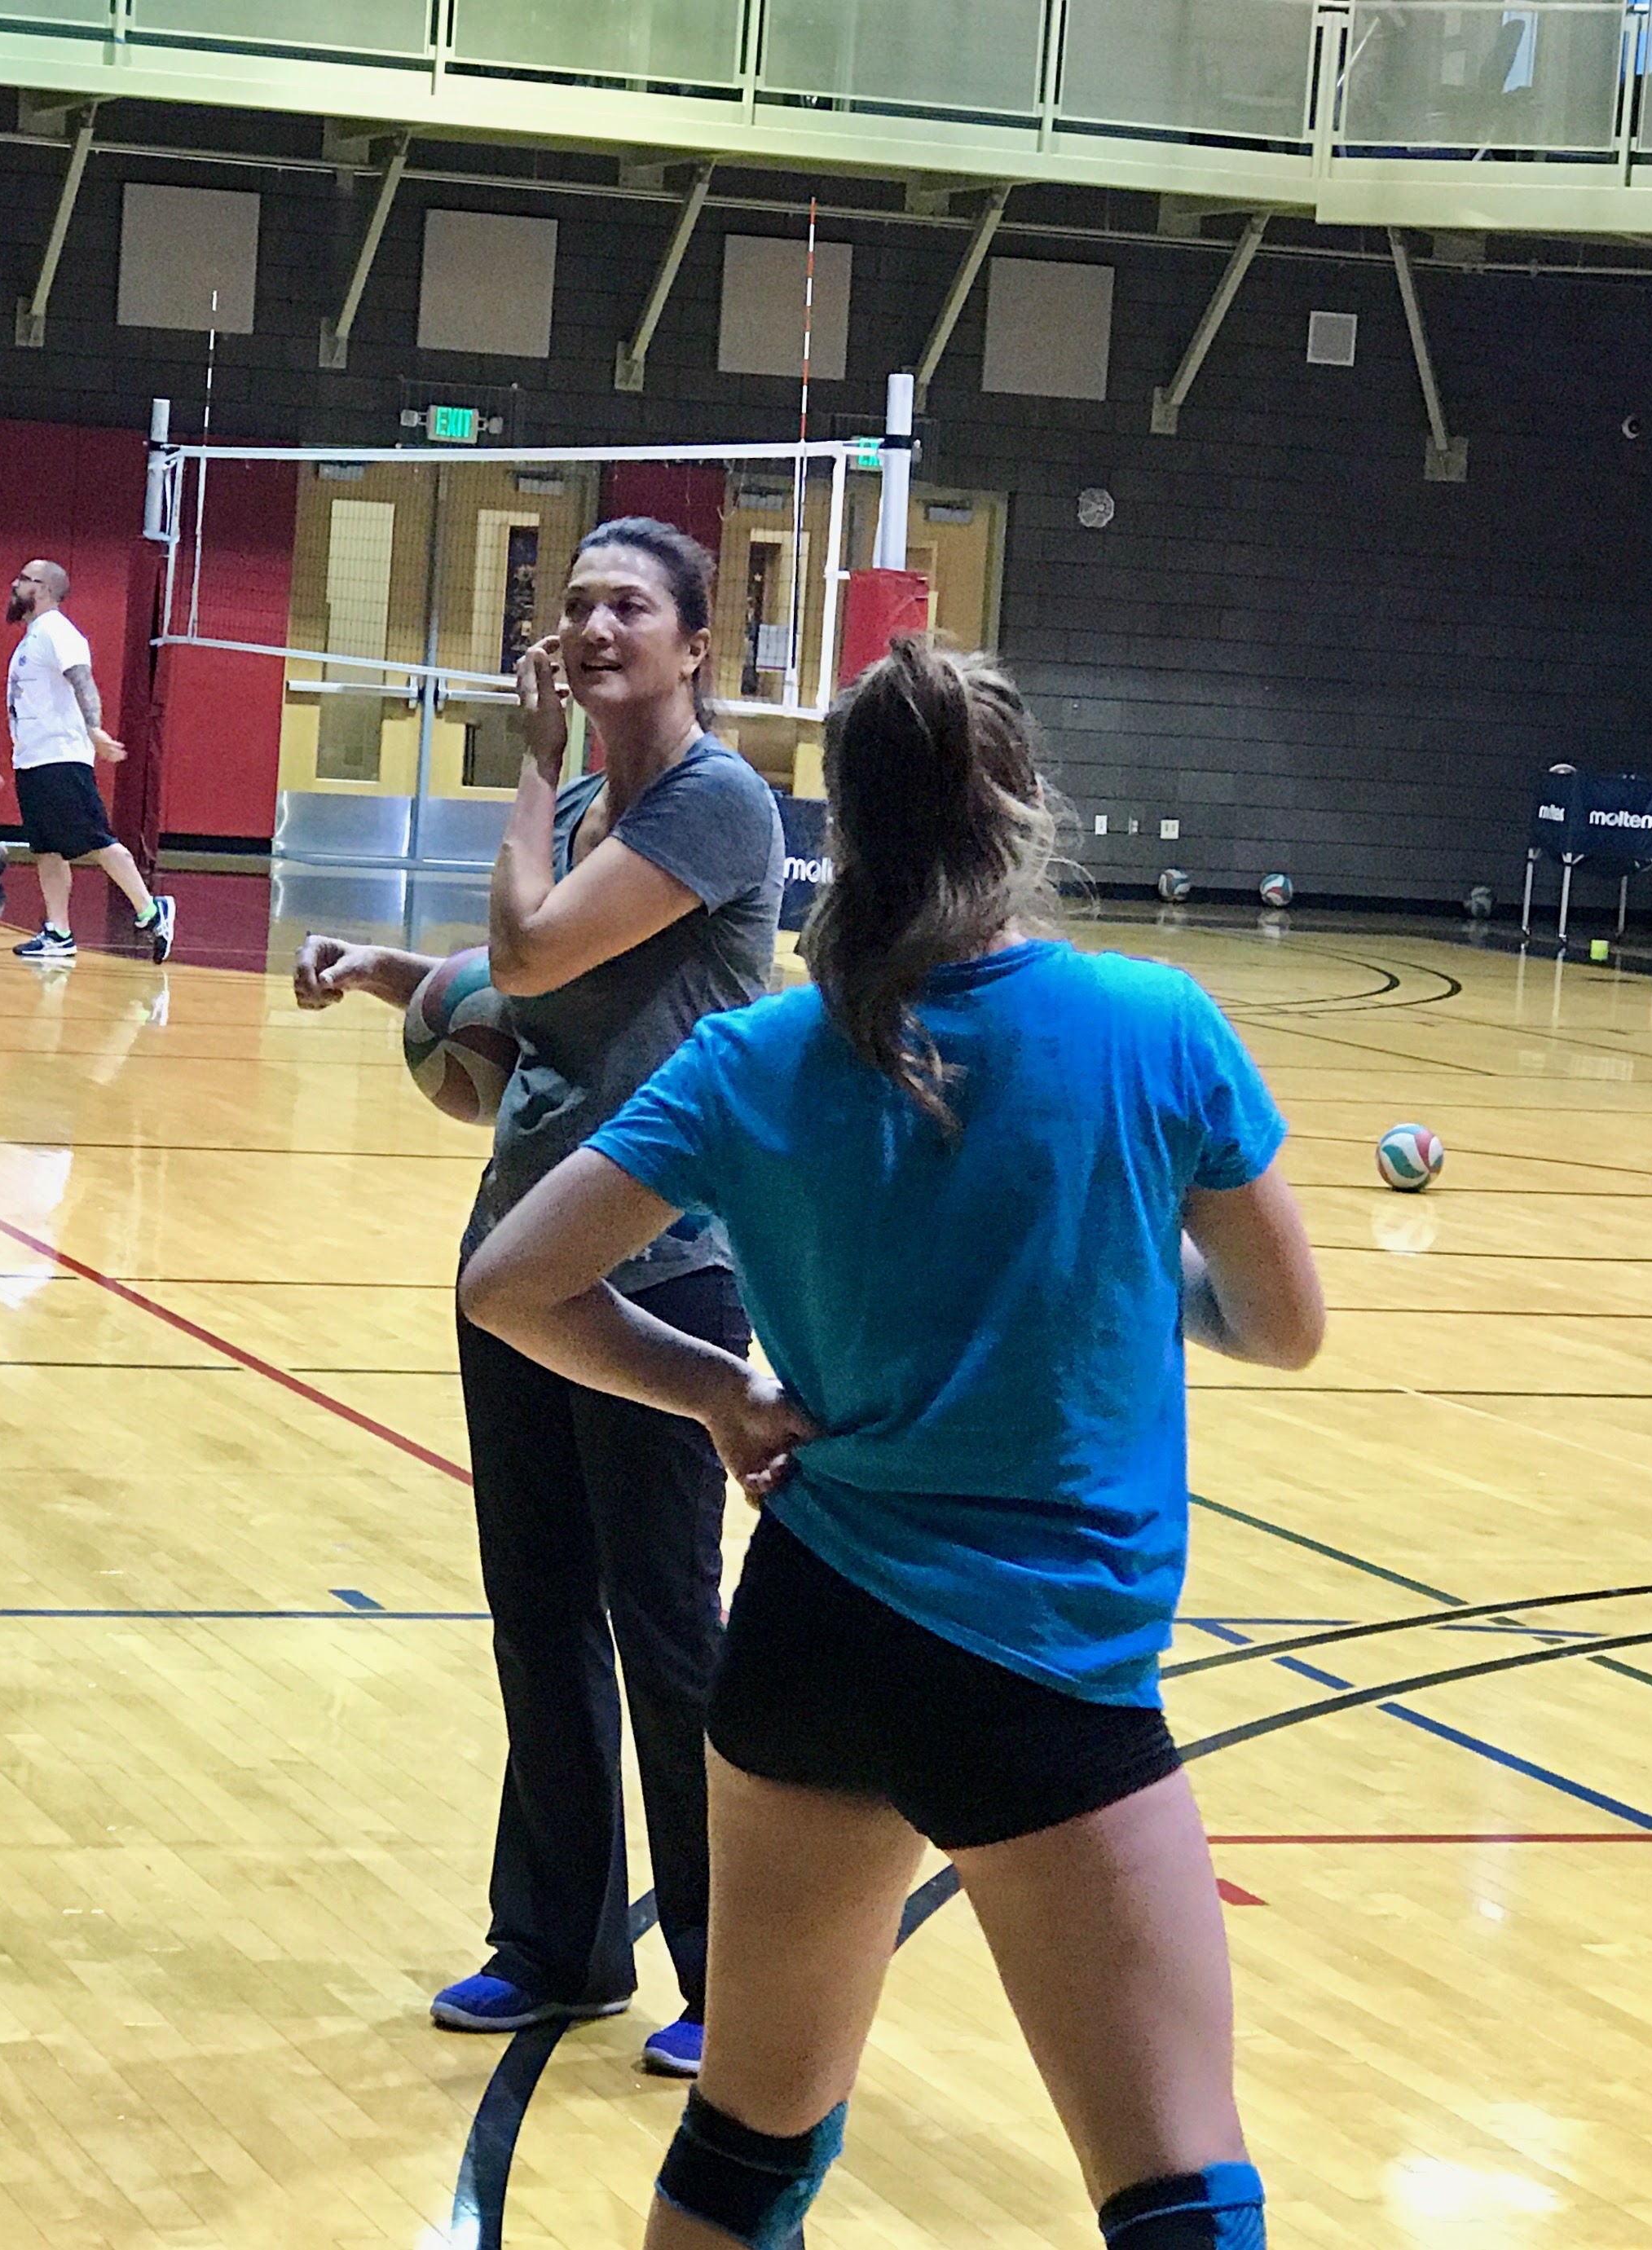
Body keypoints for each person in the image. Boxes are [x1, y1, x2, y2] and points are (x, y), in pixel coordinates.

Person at [457, 641, 1326, 2250]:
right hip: (1041, 1666)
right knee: (1176, 2188)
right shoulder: (1153, 1025)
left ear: (834, 830)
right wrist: (1142, 1256)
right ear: (1013, 812)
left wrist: (714, 1393)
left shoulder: (755, 1058)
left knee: (745, 2141)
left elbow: (511, 1284)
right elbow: (1281, 1324)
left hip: (811, 1642)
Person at [292, 519, 783, 2080]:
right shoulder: (586, 804)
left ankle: (730, 1974)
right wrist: (386, 974)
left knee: (667, 1625)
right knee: (539, 1612)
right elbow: (523, 1004)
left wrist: (518, 767)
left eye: (624, 603)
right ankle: (558, 1943)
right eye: (573, 602)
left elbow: (531, 934)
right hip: (518, 1268)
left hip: (666, 1273)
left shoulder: (715, 805)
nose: (587, 624)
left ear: (694, 645)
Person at [2, 559, 175, 966]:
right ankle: (59, 933)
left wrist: (94, 729)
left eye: (23, 579)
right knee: (46, 849)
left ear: (42, 588)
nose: (15, 584)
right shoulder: (33, 637)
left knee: (97, 840)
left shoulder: (58, 632)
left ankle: (152, 910)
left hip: (62, 758)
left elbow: (83, 680)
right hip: (32, 759)